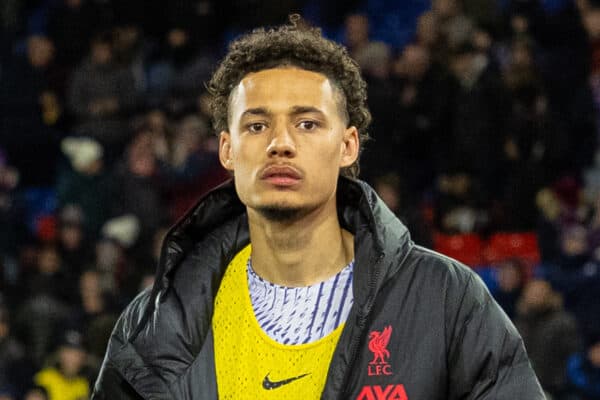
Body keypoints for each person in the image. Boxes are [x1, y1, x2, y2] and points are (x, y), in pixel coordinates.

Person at [92, 15, 545, 399]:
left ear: (348, 145)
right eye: (257, 125)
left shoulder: (447, 299)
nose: (281, 144)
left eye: (307, 123)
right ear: (227, 151)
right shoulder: (154, 324)